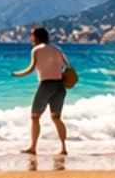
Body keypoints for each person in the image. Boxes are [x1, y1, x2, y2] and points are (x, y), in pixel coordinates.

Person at [13, 24, 71, 157]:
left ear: (36, 37)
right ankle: (63, 148)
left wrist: (17, 74)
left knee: (34, 117)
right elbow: (67, 66)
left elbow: (31, 69)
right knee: (56, 117)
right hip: (60, 85)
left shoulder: (36, 50)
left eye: (31, 36)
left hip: (46, 85)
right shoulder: (57, 49)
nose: (30, 38)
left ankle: (33, 147)